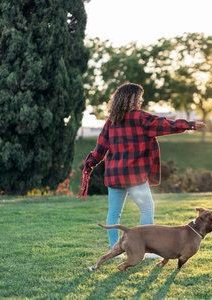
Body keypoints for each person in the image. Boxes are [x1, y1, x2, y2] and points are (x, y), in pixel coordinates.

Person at [76, 83, 205, 258]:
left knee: (114, 213)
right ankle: (148, 250)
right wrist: (190, 125)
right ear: (133, 99)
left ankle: (115, 251)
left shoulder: (111, 122)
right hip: (134, 177)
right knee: (147, 209)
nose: (142, 100)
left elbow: (100, 150)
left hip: (114, 176)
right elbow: (166, 124)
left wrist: (89, 164)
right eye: (140, 97)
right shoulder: (141, 118)